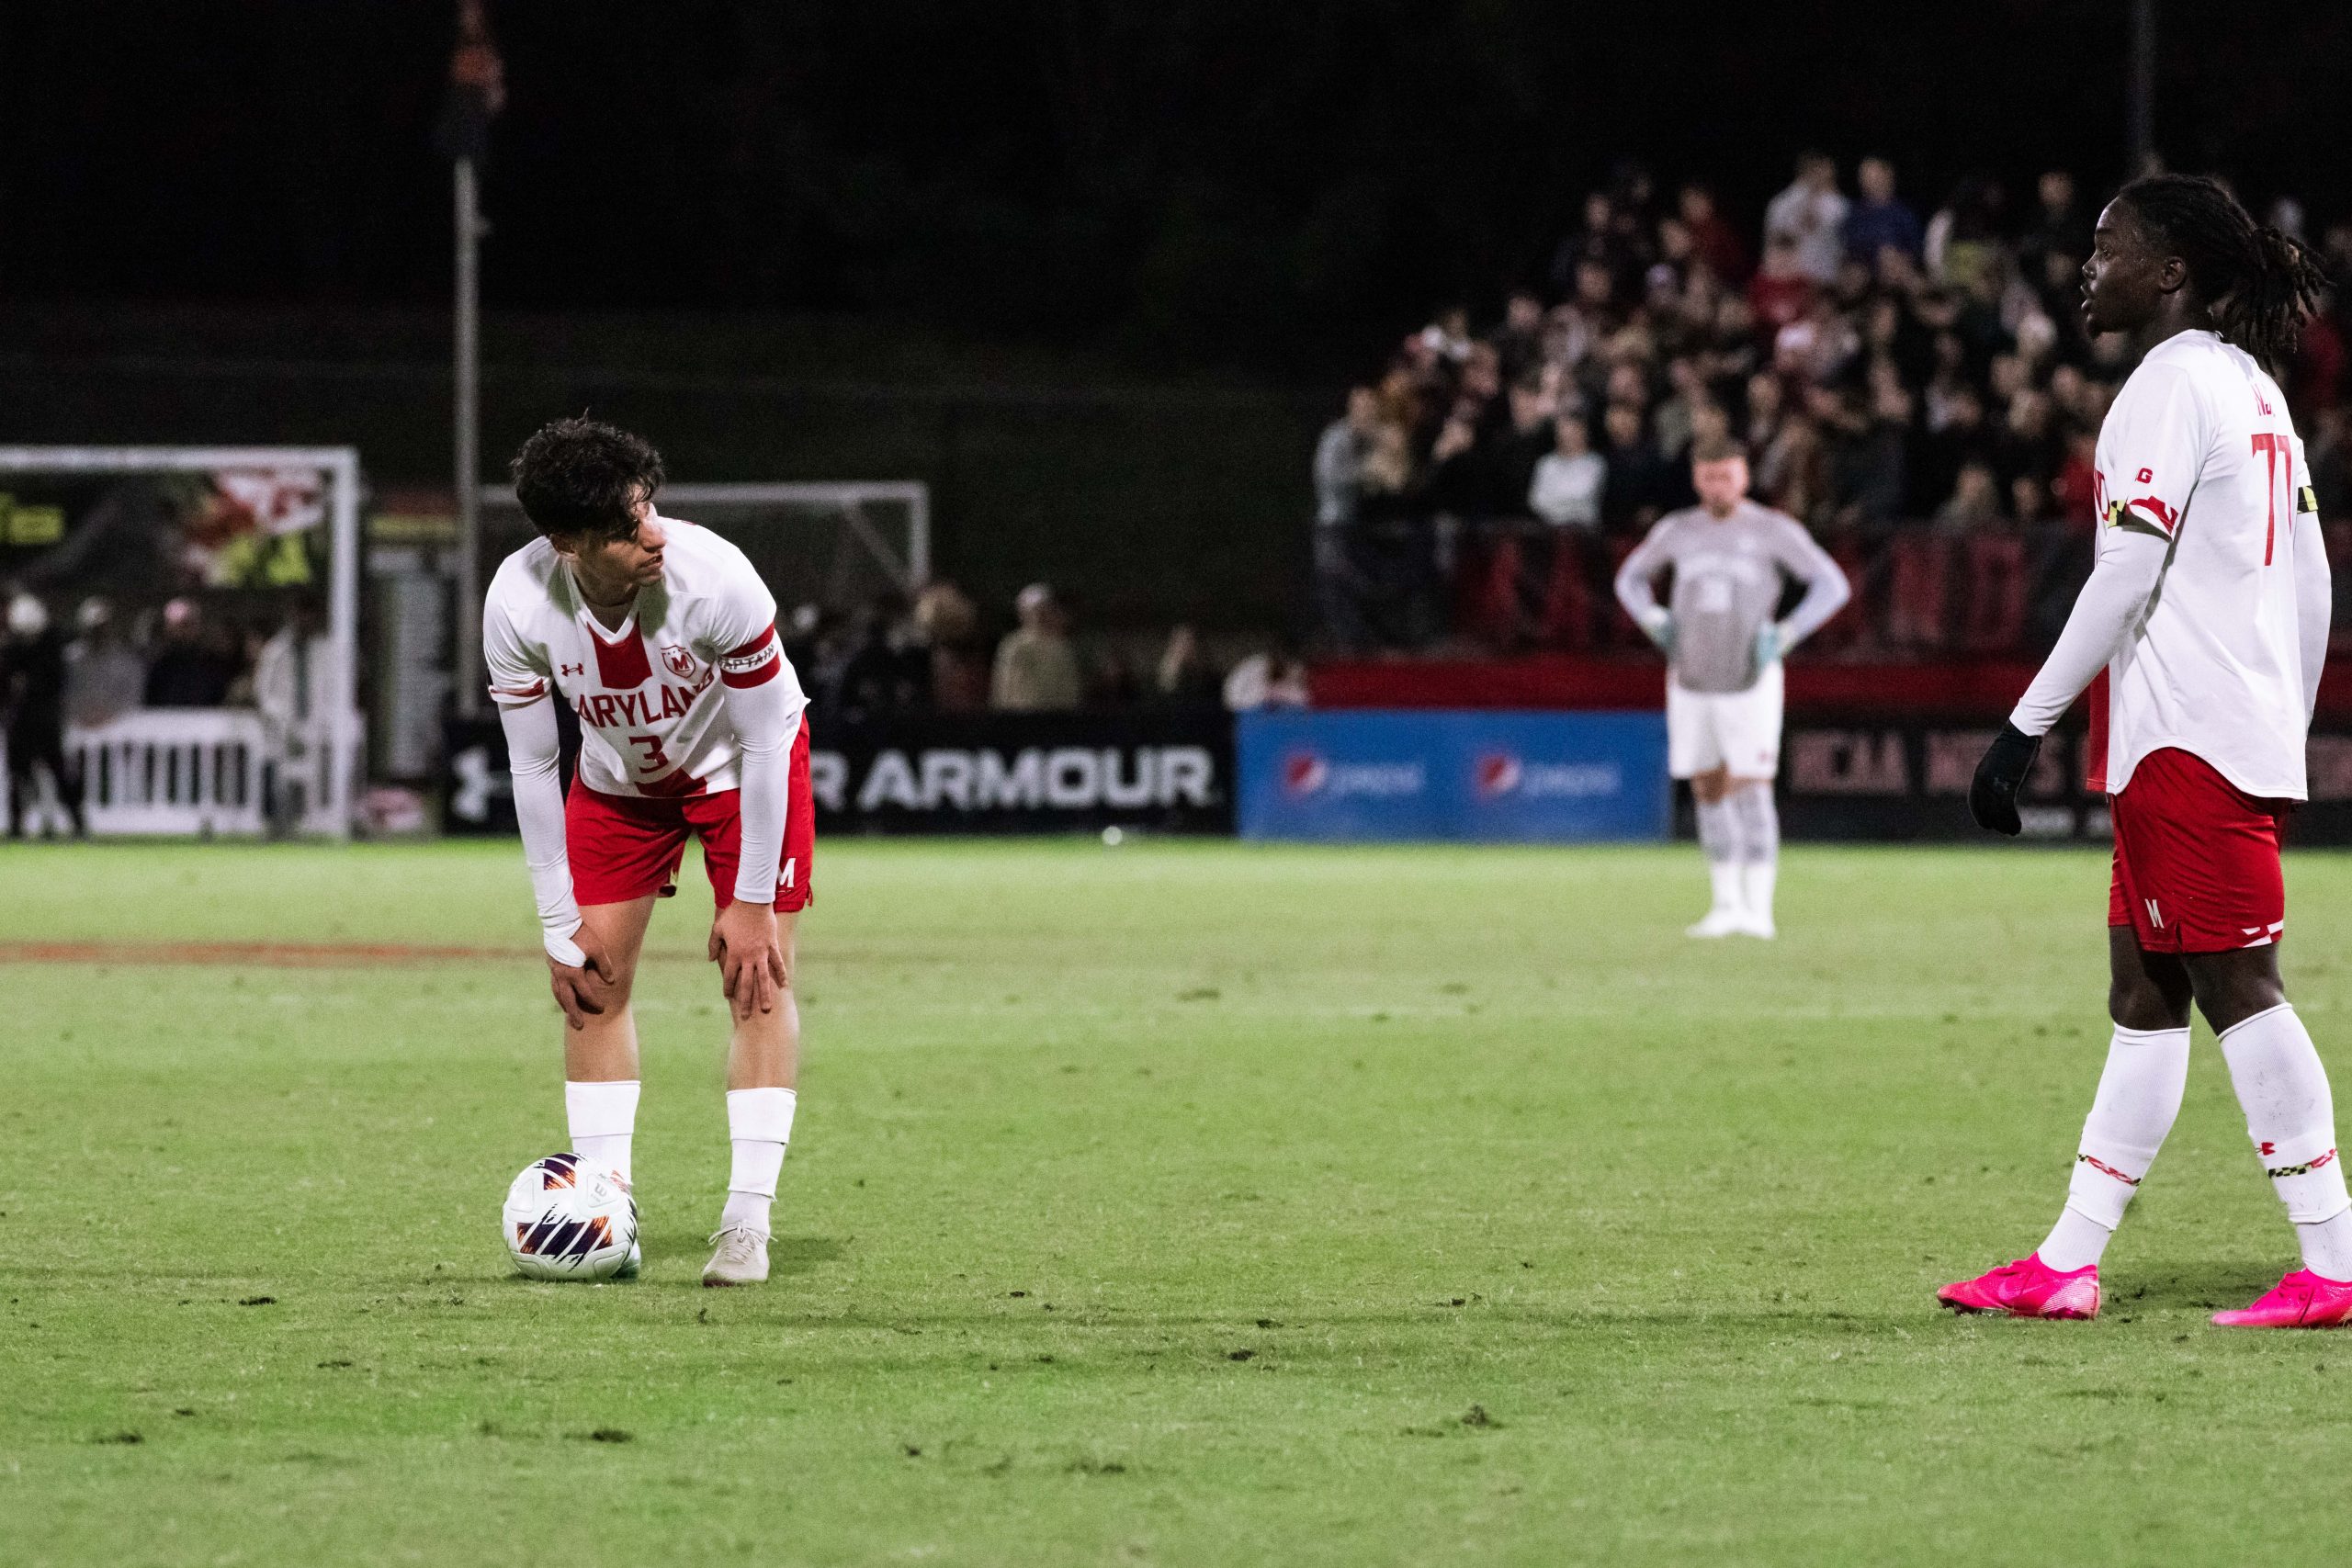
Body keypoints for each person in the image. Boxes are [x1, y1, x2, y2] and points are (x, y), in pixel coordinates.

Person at [1948, 175, 2346, 1327]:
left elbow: (2124, 573)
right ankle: (2068, 1261)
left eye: (2106, 246)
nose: (2087, 266)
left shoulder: (2164, 387)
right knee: (2144, 988)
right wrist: (2287, 715)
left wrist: (2022, 727)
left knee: (2239, 986)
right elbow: (2312, 579)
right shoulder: (2251, 388)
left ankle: (2333, 1262)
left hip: (2183, 734)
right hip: (2218, 725)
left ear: (2169, 272)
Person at [481, 417, 813, 1289]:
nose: (653, 533)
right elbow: (532, 760)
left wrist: (748, 904)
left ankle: (746, 1223)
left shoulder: (716, 580)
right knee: (588, 984)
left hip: (743, 770)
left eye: (649, 508)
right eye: (628, 528)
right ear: (567, 545)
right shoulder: (517, 602)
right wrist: (556, 920)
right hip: (618, 783)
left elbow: (772, 740)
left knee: (758, 975)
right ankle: (607, 1211)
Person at [1614, 438, 1851, 939]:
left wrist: (1788, 632)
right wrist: (1652, 617)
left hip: (1750, 680)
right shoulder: (1678, 530)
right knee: (1708, 787)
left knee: (1750, 787)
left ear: (1744, 476)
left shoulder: (1772, 530)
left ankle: (1759, 910)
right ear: (1696, 478)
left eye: (1726, 475)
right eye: (1707, 475)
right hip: (1691, 679)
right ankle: (1724, 904)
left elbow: (1832, 584)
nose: (1716, 485)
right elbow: (1630, 579)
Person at [3, 593, 86, 839]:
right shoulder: (12, 650)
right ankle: (17, 826)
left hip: (45, 723)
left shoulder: (51, 647)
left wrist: (28, 686)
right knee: (18, 777)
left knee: (60, 774)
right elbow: (8, 686)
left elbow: (53, 684)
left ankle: (78, 823)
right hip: (19, 724)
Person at [990, 583, 1082, 712]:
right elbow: (1004, 686)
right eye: (1035, 610)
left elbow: (1069, 689)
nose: (1039, 616)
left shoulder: (1061, 647)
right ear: (1023, 613)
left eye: (1044, 610)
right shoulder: (1013, 645)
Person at [1763, 151, 1849, 286]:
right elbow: (1773, 246)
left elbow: (1843, 247)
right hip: (1795, 281)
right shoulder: (1781, 204)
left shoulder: (1836, 204)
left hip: (1824, 281)